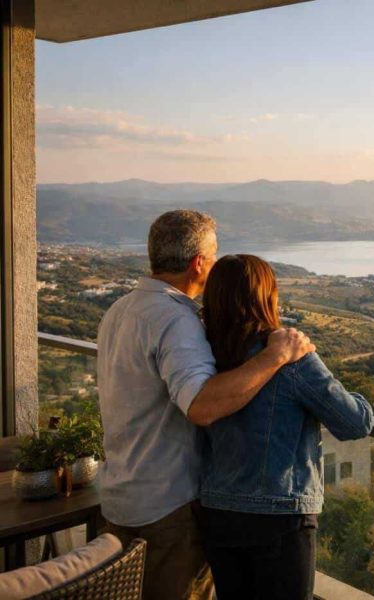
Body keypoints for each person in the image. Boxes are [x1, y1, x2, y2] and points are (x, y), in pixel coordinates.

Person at [97, 210, 315, 600]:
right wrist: (274, 357)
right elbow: (201, 405)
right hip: (169, 508)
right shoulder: (175, 319)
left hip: (120, 497)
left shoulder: (121, 310)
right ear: (199, 263)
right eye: (213, 258)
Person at [198, 254, 373, 600]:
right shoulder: (289, 356)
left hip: (218, 512)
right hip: (279, 517)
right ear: (267, 297)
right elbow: (355, 422)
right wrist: (352, 392)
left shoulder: (205, 356)